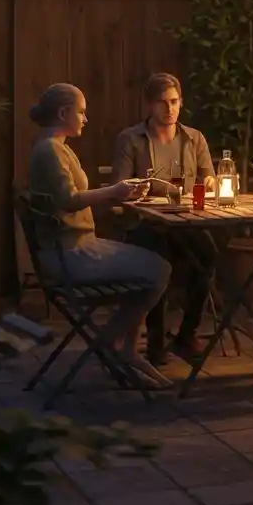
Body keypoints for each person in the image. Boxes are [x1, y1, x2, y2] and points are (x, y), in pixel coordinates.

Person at [28, 82, 173, 389]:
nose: (85, 118)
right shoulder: (50, 152)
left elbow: (72, 196)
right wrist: (114, 191)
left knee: (147, 263)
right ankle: (110, 344)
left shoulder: (57, 149)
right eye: (81, 112)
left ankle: (127, 350)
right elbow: (68, 200)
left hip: (73, 247)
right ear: (64, 112)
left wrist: (122, 193)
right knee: (159, 269)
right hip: (71, 255)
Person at [112, 72, 218, 364]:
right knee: (156, 258)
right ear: (149, 105)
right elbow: (120, 189)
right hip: (145, 223)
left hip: (186, 221)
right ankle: (155, 342)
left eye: (174, 102)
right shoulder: (130, 140)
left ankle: (187, 334)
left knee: (207, 254)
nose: (169, 109)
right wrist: (144, 190)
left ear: (181, 103)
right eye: (162, 103)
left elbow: (209, 177)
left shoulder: (194, 138)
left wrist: (209, 183)